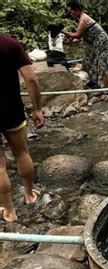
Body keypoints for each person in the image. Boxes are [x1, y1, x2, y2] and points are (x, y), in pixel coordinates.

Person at [0, 34, 44, 222]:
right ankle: (29, 195)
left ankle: (9, 211)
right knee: (22, 153)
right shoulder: (9, 43)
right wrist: (37, 108)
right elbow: (31, 79)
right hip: (12, 110)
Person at [63, 1, 108, 89]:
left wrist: (62, 31)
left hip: (101, 42)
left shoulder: (84, 19)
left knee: (101, 64)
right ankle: (94, 83)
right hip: (93, 43)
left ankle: (106, 88)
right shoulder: (80, 19)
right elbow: (81, 36)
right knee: (88, 62)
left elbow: (77, 35)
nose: (70, 14)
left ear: (76, 10)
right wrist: (70, 41)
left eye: (70, 11)